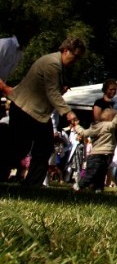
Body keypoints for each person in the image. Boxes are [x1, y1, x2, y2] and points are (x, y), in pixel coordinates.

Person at [0, 37, 84, 186]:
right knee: (19, 148)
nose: (76, 60)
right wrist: (68, 112)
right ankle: (24, 181)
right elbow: (52, 92)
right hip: (25, 109)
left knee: (42, 147)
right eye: (75, 56)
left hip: (34, 112)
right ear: (65, 50)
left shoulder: (57, 64)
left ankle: (32, 184)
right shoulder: (52, 63)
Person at [73, 106, 117, 192]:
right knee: (92, 174)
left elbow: (84, 132)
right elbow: (115, 122)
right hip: (99, 155)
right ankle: (79, 185)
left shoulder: (95, 127)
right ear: (111, 119)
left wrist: (76, 126)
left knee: (100, 174)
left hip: (101, 155)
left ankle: (98, 189)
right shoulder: (107, 125)